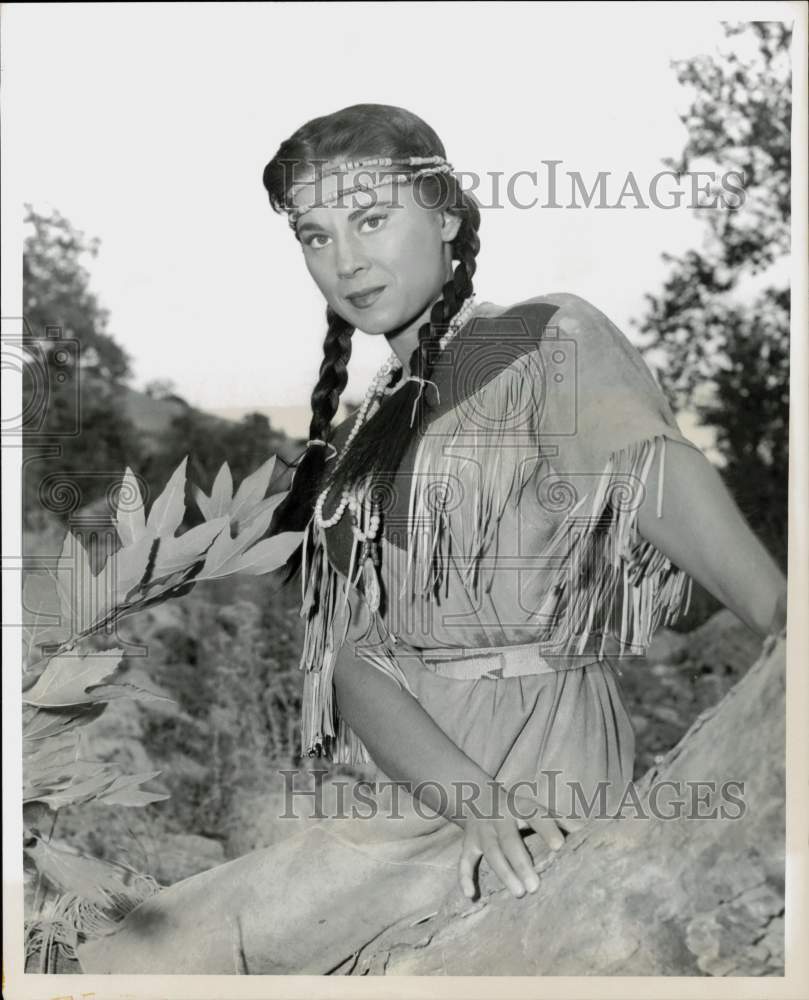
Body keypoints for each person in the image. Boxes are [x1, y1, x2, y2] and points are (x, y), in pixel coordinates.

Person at [76, 103, 787, 975]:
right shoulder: (364, 434)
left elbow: (643, 470)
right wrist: (469, 800)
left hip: (540, 769)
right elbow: (353, 659)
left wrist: (780, 614)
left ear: (444, 212)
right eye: (315, 235)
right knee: (135, 953)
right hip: (428, 790)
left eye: (372, 218)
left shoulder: (536, 337)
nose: (345, 259)